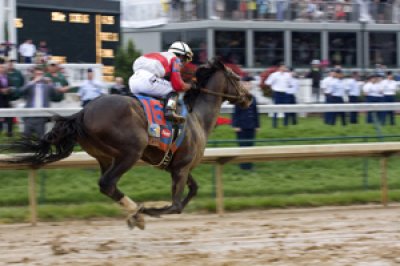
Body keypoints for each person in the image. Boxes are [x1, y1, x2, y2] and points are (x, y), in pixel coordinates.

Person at [129, 41, 193, 123]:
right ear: (180, 55)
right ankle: (170, 111)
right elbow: (177, 85)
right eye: (185, 59)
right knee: (173, 89)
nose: (184, 63)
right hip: (147, 80)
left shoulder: (159, 55)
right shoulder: (175, 59)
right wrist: (189, 86)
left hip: (133, 80)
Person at [18, 66, 66, 138]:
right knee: (26, 137)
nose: (39, 76)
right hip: (29, 116)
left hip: (41, 117)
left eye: (40, 74)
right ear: (34, 75)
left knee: (41, 138)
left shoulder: (47, 86)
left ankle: (41, 148)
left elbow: (56, 95)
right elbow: (21, 91)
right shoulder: (30, 85)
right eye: (37, 74)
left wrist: (51, 83)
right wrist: (33, 81)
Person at [232, 76, 260, 170]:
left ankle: (249, 165)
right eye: (246, 83)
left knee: (250, 146)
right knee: (243, 146)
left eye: (249, 83)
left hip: (251, 126)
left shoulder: (253, 98)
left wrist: (257, 125)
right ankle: (244, 166)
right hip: (241, 126)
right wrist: (235, 125)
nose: (248, 85)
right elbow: (235, 112)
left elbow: (256, 112)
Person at [265, 63, 291, 128]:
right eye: (282, 67)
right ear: (279, 68)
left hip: (285, 93)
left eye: (284, 67)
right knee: (275, 109)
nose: (284, 68)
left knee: (286, 109)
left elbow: (290, 83)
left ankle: (285, 124)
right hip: (277, 93)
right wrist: (272, 87)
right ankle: (274, 125)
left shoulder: (287, 75)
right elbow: (267, 82)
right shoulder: (274, 75)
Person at [0, 59, 13, 137]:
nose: (2, 69)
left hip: (7, 99)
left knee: (9, 116)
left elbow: (11, 86)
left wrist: (8, 89)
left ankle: (9, 132)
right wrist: (1, 90)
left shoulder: (7, 77)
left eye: (3, 67)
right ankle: (1, 130)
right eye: (0, 67)